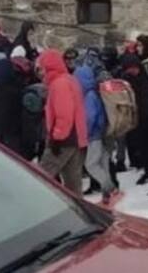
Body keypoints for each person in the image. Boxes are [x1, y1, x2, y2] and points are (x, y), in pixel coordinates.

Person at [37, 50, 88, 195]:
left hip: (64, 139)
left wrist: (56, 138)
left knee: (40, 177)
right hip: (76, 137)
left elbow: (64, 115)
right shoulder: (69, 79)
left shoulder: (59, 84)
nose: (40, 72)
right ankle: (79, 213)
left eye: (41, 68)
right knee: (73, 183)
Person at [75, 65, 121, 206]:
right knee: (103, 164)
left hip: (94, 135)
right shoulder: (96, 91)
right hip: (105, 133)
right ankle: (107, 194)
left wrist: (85, 133)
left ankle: (110, 189)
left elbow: (90, 117)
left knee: (91, 165)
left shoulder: (89, 95)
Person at [120, 53, 148, 185]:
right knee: (143, 146)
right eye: (128, 69)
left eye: (133, 68)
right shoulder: (126, 79)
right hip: (139, 117)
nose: (132, 71)